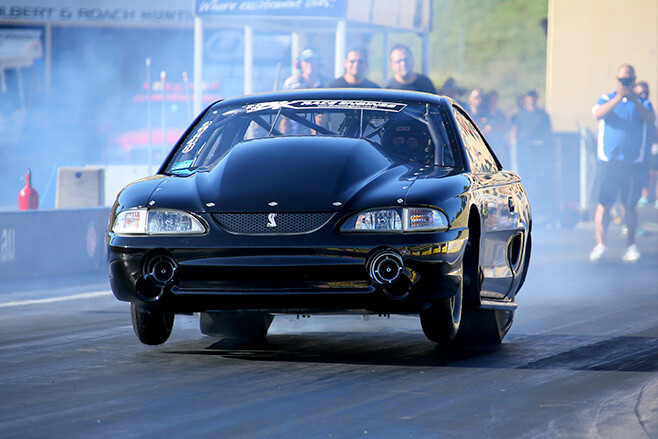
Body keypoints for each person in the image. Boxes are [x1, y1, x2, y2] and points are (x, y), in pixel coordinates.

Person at [589, 64, 656, 262]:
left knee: (630, 205)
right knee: (604, 204)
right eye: (622, 80)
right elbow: (598, 114)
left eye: (629, 80)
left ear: (634, 80)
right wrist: (619, 97)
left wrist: (635, 100)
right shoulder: (607, 98)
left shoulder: (643, 103)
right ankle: (601, 244)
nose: (625, 83)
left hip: (632, 163)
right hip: (608, 162)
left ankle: (631, 246)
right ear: (617, 80)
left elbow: (651, 119)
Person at [509, 90, 553, 221]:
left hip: (540, 152)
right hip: (524, 152)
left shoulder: (543, 115)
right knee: (525, 176)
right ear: (526, 99)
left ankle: (540, 206)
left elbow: (548, 131)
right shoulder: (520, 115)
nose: (531, 100)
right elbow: (514, 132)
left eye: (533, 98)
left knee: (540, 177)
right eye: (529, 98)